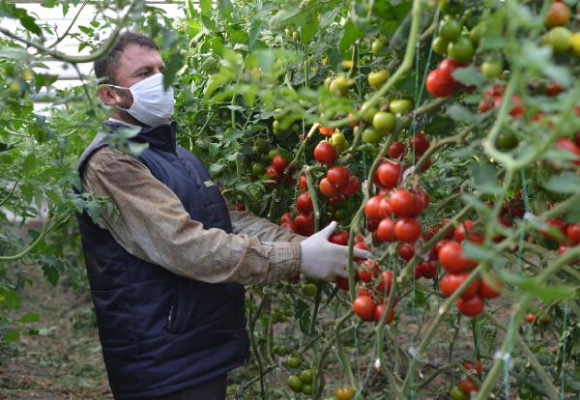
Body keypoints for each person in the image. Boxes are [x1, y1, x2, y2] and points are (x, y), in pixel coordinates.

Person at [75, 31, 369, 400]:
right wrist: (298, 258)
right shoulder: (110, 161)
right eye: (143, 73)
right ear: (109, 94)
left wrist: (304, 246)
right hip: (161, 361)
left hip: (197, 344)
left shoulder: (177, 155)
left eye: (162, 70)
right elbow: (183, 245)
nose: (159, 81)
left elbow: (227, 221)